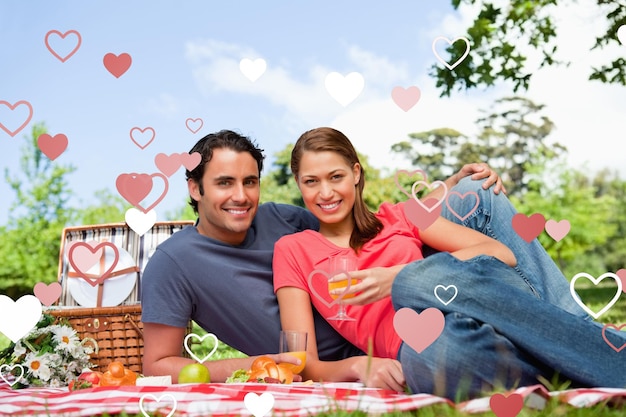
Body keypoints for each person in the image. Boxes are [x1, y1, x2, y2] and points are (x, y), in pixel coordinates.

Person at [273, 126, 626, 400]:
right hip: (436, 345)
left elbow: (499, 254)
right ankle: (580, 363)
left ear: (355, 173)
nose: (326, 193)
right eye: (311, 182)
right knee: (434, 353)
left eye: (336, 177)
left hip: (486, 306)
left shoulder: (402, 216)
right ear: (299, 185)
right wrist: (358, 365)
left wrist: (398, 277)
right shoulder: (292, 250)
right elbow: (299, 363)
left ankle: (602, 360)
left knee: (410, 282)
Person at [140, 129, 507, 383]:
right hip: (341, 360)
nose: (241, 196)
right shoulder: (172, 263)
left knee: (477, 192)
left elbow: (362, 228)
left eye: (250, 182)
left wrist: (450, 188)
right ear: (195, 187)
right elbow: (157, 365)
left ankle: (549, 318)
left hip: (397, 317)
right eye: (224, 183)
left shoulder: (281, 218)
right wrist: (264, 364)